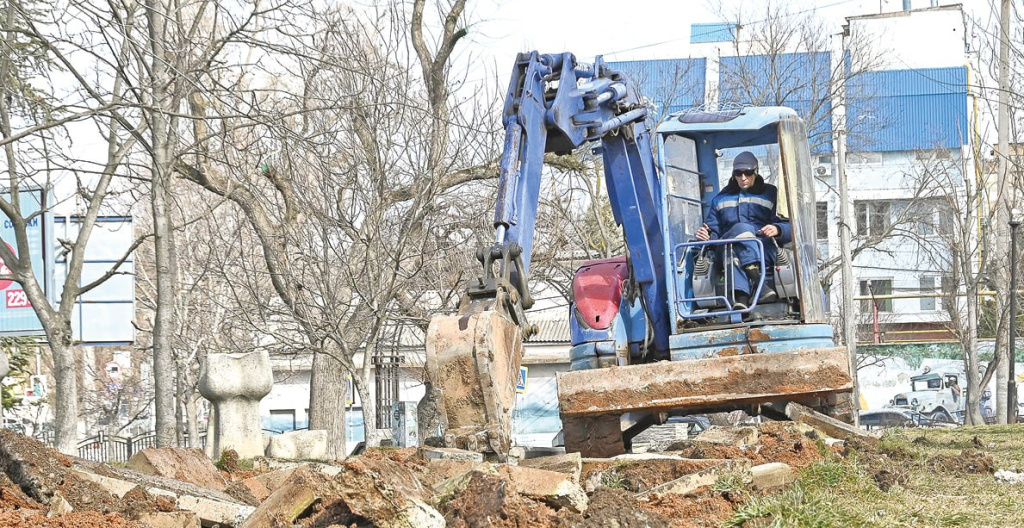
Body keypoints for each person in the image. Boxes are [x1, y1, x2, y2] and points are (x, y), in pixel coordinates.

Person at [695, 151, 791, 310]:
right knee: (736, 239)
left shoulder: (771, 194)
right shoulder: (720, 199)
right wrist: (706, 236)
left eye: (748, 172)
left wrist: (778, 228)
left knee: (735, 245)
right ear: (734, 175)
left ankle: (741, 300)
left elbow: (790, 226)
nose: (743, 177)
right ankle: (758, 284)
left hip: (763, 248)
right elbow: (714, 232)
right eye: (738, 173)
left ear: (756, 172)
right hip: (727, 246)